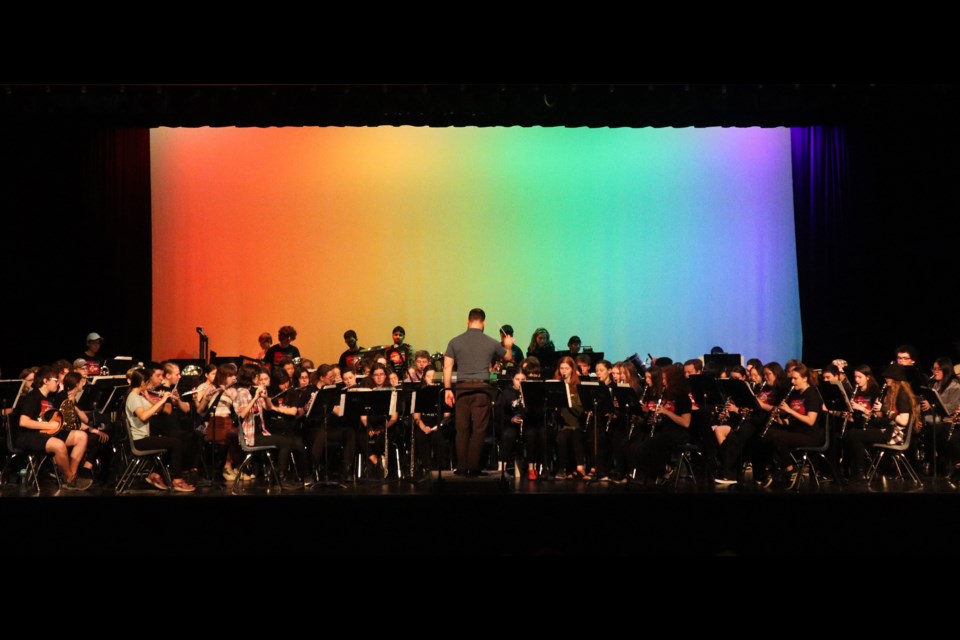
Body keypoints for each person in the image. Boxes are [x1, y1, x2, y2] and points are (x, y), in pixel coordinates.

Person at [444, 308, 512, 476]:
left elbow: (447, 367)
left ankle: (461, 467)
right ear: (484, 323)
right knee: (479, 429)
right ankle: (473, 467)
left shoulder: (454, 341)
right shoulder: (491, 342)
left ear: (468, 321)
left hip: (461, 389)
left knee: (462, 429)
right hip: (482, 389)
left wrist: (447, 390)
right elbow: (508, 357)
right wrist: (508, 345)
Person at [15, 366, 92, 490]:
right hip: (28, 436)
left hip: (46, 433)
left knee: (81, 436)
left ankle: (71, 476)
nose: (58, 383)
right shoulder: (32, 397)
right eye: (55, 380)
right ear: (45, 381)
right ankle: (70, 479)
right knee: (58, 444)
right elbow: (23, 422)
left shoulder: (49, 399)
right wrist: (48, 425)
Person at [845, 363, 919, 482]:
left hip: (896, 434)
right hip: (889, 430)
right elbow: (884, 416)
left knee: (855, 435)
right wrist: (876, 413)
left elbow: (904, 421)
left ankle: (860, 472)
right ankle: (855, 471)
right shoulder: (892, 393)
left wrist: (884, 410)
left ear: (895, 379)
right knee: (852, 433)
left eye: (888, 377)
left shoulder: (903, 395)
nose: (885, 379)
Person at [125, 370, 196, 492]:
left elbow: (157, 410)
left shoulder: (138, 397)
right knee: (176, 443)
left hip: (144, 438)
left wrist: (150, 398)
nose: (149, 385)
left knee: (175, 441)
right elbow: (143, 416)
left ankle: (155, 475)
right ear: (143, 382)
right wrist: (163, 400)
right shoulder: (133, 397)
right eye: (147, 382)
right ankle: (177, 480)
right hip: (139, 440)